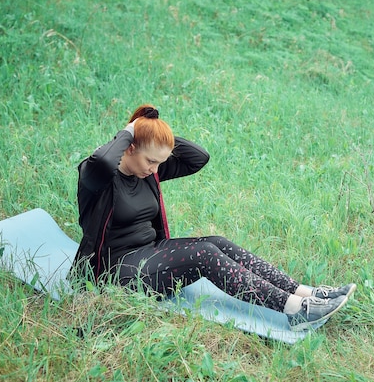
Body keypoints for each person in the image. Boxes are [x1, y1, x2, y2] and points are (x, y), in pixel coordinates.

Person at [69, 104, 356, 331]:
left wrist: (155, 133)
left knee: (217, 242)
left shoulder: (148, 169)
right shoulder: (96, 176)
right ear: (129, 148)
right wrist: (131, 131)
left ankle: (306, 293)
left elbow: (198, 158)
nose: (155, 169)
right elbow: (106, 160)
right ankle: (295, 310)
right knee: (204, 254)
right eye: (150, 161)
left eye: (160, 162)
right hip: (112, 270)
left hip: (149, 253)